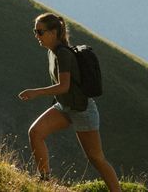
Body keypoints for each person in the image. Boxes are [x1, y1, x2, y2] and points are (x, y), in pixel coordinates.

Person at [17, 13, 121, 191]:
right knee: (35, 133)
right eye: (35, 31)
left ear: (53, 32)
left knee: (96, 158)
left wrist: (36, 92)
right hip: (65, 107)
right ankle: (44, 180)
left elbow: (63, 86)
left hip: (82, 110)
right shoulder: (52, 52)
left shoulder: (63, 54)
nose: (36, 35)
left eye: (40, 31)